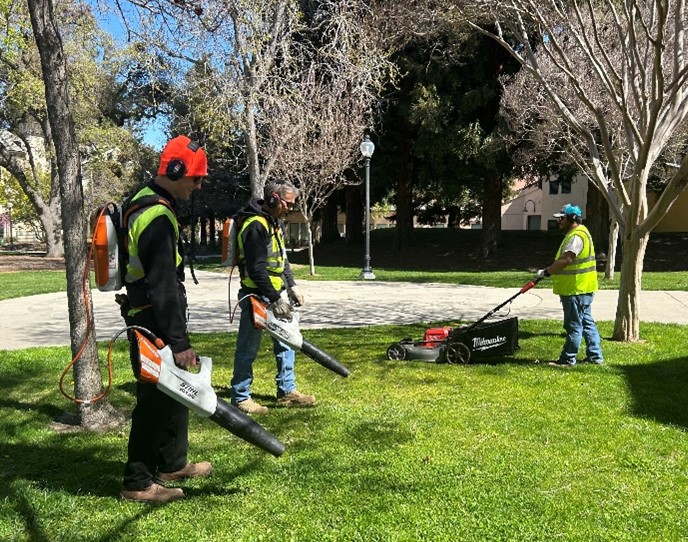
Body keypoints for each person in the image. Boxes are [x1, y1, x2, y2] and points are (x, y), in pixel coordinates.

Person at [119, 135, 213, 503]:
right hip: (152, 321)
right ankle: (138, 483)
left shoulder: (148, 204)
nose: (199, 185)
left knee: (174, 395)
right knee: (154, 401)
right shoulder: (156, 216)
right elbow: (163, 287)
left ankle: (171, 464)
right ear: (176, 172)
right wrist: (179, 342)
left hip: (151, 316)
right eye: (196, 178)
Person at [230, 179, 315, 415]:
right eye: (287, 204)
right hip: (256, 296)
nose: (291, 208)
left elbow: (282, 261)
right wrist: (275, 299)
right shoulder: (255, 225)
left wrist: (292, 287)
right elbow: (256, 269)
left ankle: (287, 391)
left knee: (286, 342)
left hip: (275, 294)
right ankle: (241, 396)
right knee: (248, 347)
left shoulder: (273, 223)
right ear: (273, 199)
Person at [537, 203, 604, 367]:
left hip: (576, 289)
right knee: (587, 322)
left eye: (561, 218)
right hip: (584, 288)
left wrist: (546, 272)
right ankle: (595, 357)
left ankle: (568, 359)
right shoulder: (582, 233)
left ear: (571, 218)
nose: (559, 222)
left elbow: (566, 259)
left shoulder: (576, 236)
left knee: (574, 325)